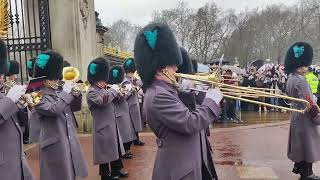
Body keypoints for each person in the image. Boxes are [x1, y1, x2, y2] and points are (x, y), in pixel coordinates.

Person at [134, 23, 222, 180]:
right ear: (160, 67)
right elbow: (190, 122)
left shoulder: (165, 90)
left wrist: (187, 93)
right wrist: (211, 102)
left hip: (189, 159)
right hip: (180, 167)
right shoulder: (158, 95)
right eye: (171, 63)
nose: (176, 67)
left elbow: (187, 114)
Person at [33, 51, 88, 180]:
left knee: (70, 173)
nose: (56, 80)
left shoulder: (59, 91)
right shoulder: (36, 95)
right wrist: (66, 93)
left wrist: (77, 94)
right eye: (53, 78)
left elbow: (74, 108)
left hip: (67, 138)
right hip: (54, 143)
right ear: (45, 79)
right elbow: (53, 110)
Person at [86, 57, 129, 180]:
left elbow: (115, 99)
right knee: (104, 152)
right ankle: (105, 175)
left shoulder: (103, 89)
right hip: (102, 126)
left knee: (115, 148)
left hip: (111, 124)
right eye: (102, 80)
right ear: (96, 80)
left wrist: (120, 94)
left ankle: (116, 169)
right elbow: (102, 101)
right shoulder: (92, 92)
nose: (105, 82)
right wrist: (113, 91)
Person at [0, 38, 35, 180]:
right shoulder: (6, 95)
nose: (1, 78)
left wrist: (19, 106)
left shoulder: (3, 92)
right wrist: (10, 100)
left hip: (16, 161)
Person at [285, 42, 320, 180]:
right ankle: (308, 174)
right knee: (308, 146)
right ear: (299, 64)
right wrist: (317, 117)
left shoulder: (291, 78)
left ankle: (301, 170)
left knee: (299, 146)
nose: (306, 68)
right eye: (304, 65)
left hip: (296, 116)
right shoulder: (301, 81)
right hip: (305, 118)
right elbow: (309, 102)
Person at [108, 65, 137, 159]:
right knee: (123, 134)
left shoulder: (119, 85)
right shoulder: (111, 87)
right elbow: (120, 98)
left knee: (127, 133)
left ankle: (125, 150)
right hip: (118, 112)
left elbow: (123, 97)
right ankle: (123, 151)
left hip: (124, 111)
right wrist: (127, 91)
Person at [122, 58, 145, 146]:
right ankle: (129, 143)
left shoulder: (132, 79)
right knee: (130, 124)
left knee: (135, 123)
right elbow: (126, 94)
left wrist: (137, 82)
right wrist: (134, 88)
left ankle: (136, 139)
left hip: (134, 104)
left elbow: (141, 84)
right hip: (129, 105)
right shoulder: (125, 81)